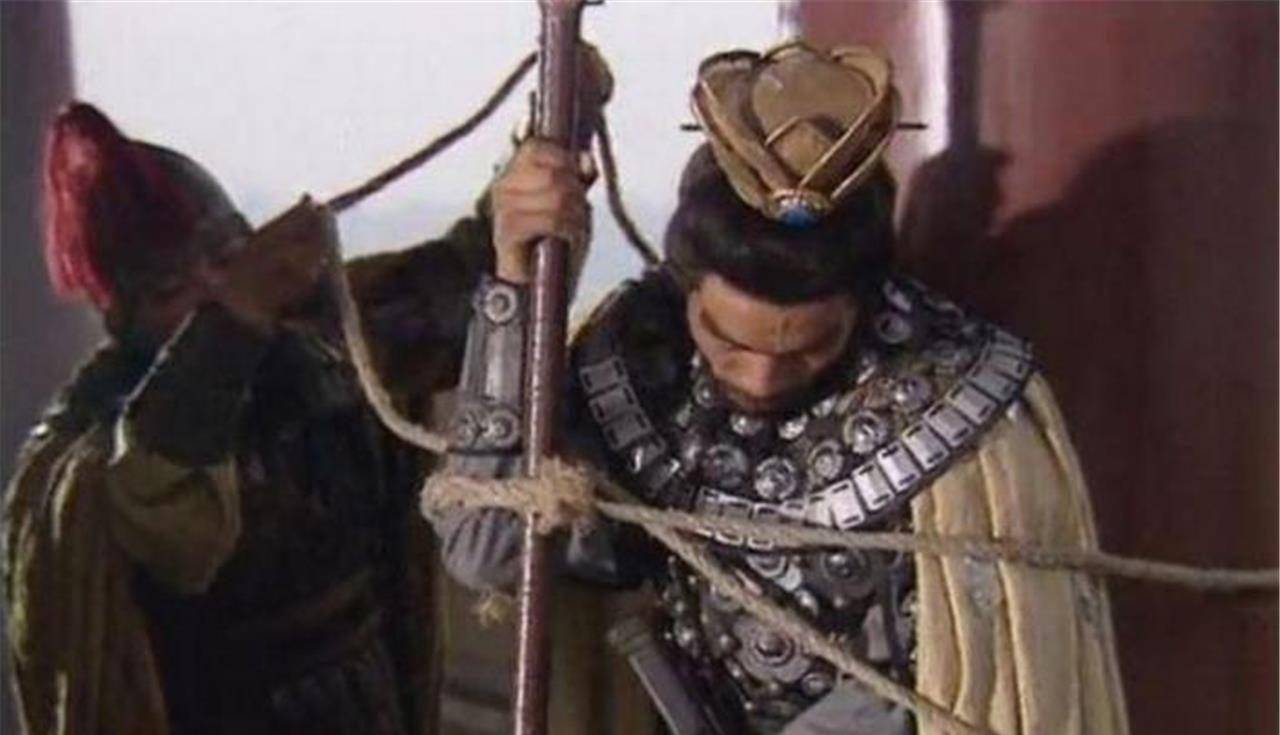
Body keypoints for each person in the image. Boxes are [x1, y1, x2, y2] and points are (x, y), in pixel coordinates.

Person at [431, 42, 1129, 734]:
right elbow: (488, 546)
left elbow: (977, 674)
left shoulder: (959, 406)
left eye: (806, 349)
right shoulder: (644, 356)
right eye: (727, 339)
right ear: (685, 290)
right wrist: (519, 289)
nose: (759, 376)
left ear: (862, 306)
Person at [3, 102, 494, 735]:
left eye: (228, 257)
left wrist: (543, 154)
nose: (212, 288)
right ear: (122, 315)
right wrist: (232, 320)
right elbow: (164, 504)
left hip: (368, 697)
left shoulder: (318, 343)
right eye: (172, 287)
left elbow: (468, 287)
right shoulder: (90, 462)